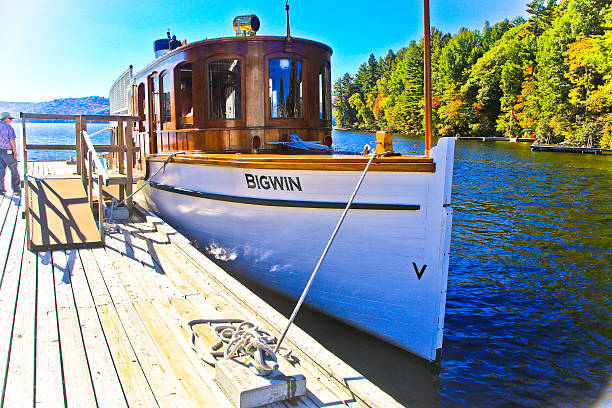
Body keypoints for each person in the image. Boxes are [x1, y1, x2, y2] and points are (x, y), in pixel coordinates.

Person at [0, 112, 21, 195]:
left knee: (1, 171)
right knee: (14, 170)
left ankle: (1, 189)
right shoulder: (9, 127)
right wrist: (15, 152)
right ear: (5, 118)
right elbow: (12, 140)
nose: (11, 121)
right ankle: (16, 189)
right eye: (10, 119)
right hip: (8, 152)